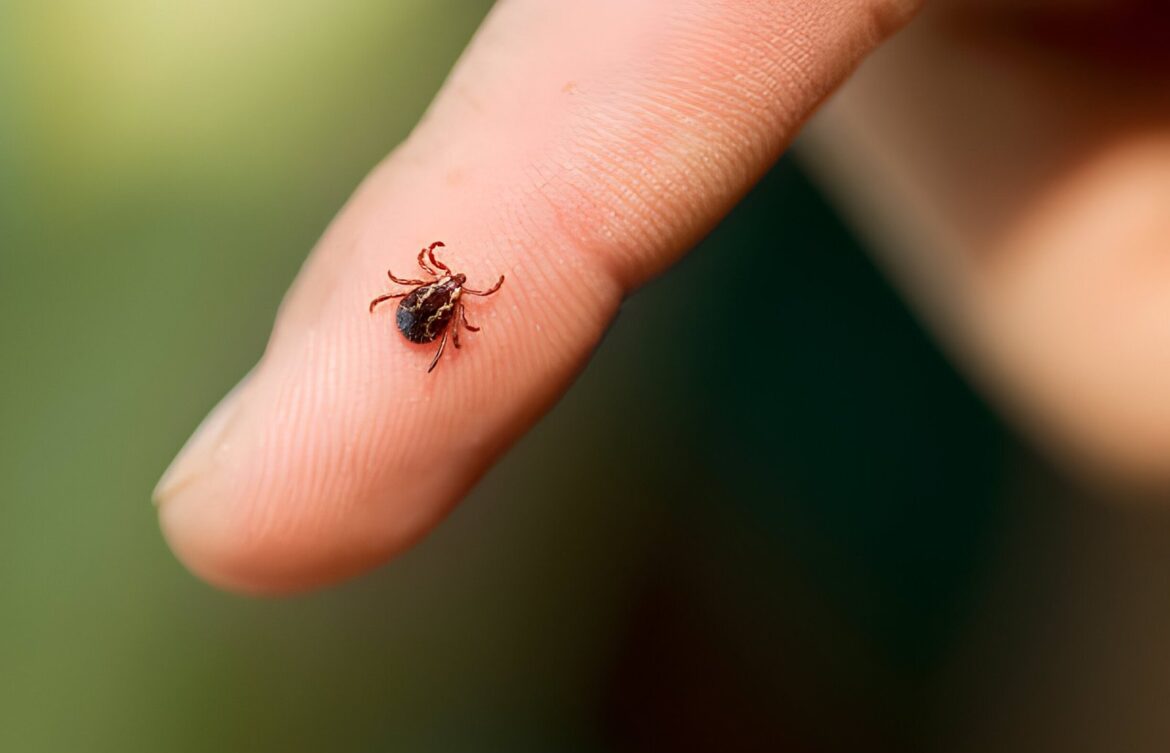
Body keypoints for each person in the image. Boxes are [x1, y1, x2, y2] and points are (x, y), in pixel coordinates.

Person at [154, 0, 1170, 593]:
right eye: (439, 290)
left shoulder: (432, 297)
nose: (441, 292)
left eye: (438, 289)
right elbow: (437, 309)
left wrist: (427, 317)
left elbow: (423, 308)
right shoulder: (445, 297)